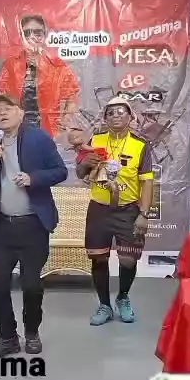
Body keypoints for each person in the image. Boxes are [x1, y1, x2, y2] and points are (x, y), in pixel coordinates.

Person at [0, 94, 68, 358]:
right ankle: (7, 338)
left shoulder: (38, 138)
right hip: (4, 227)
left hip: (33, 226)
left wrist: (33, 178)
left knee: (31, 285)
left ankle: (31, 333)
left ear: (20, 113)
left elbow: (60, 171)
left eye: (8, 108)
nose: (2, 113)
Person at [75, 96, 154, 326]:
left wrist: (144, 214)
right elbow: (80, 173)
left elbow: (147, 182)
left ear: (130, 117)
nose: (116, 116)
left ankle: (123, 297)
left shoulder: (140, 145)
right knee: (99, 259)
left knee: (128, 260)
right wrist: (85, 162)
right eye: (111, 112)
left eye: (121, 112)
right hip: (99, 209)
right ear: (105, 118)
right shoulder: (96, 139)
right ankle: (104, 305)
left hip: (128, 210)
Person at [0, 14, 81, 137]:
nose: (32, 37)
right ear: (22, 37)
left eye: (37, 33)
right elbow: (0, 95)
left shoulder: (58, 66)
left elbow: (72, 96)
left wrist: (65, 119)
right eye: (27, 33)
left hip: (49, 130)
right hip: (18, 130)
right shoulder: (11, 65)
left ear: (44, 35)